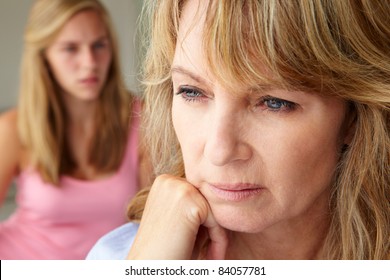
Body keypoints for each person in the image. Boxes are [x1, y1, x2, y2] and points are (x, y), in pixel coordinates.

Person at [87, 0, 390, 260]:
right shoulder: (120, 258)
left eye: (273, 102)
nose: (219, 151)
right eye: (192, 92)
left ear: (353, 116)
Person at [0, 0, 150, 259]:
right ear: (44, 56)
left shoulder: (141, 117)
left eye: (99, 45)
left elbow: (150, 223)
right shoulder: (14, 128)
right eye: (70, 48)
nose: (90, 62)